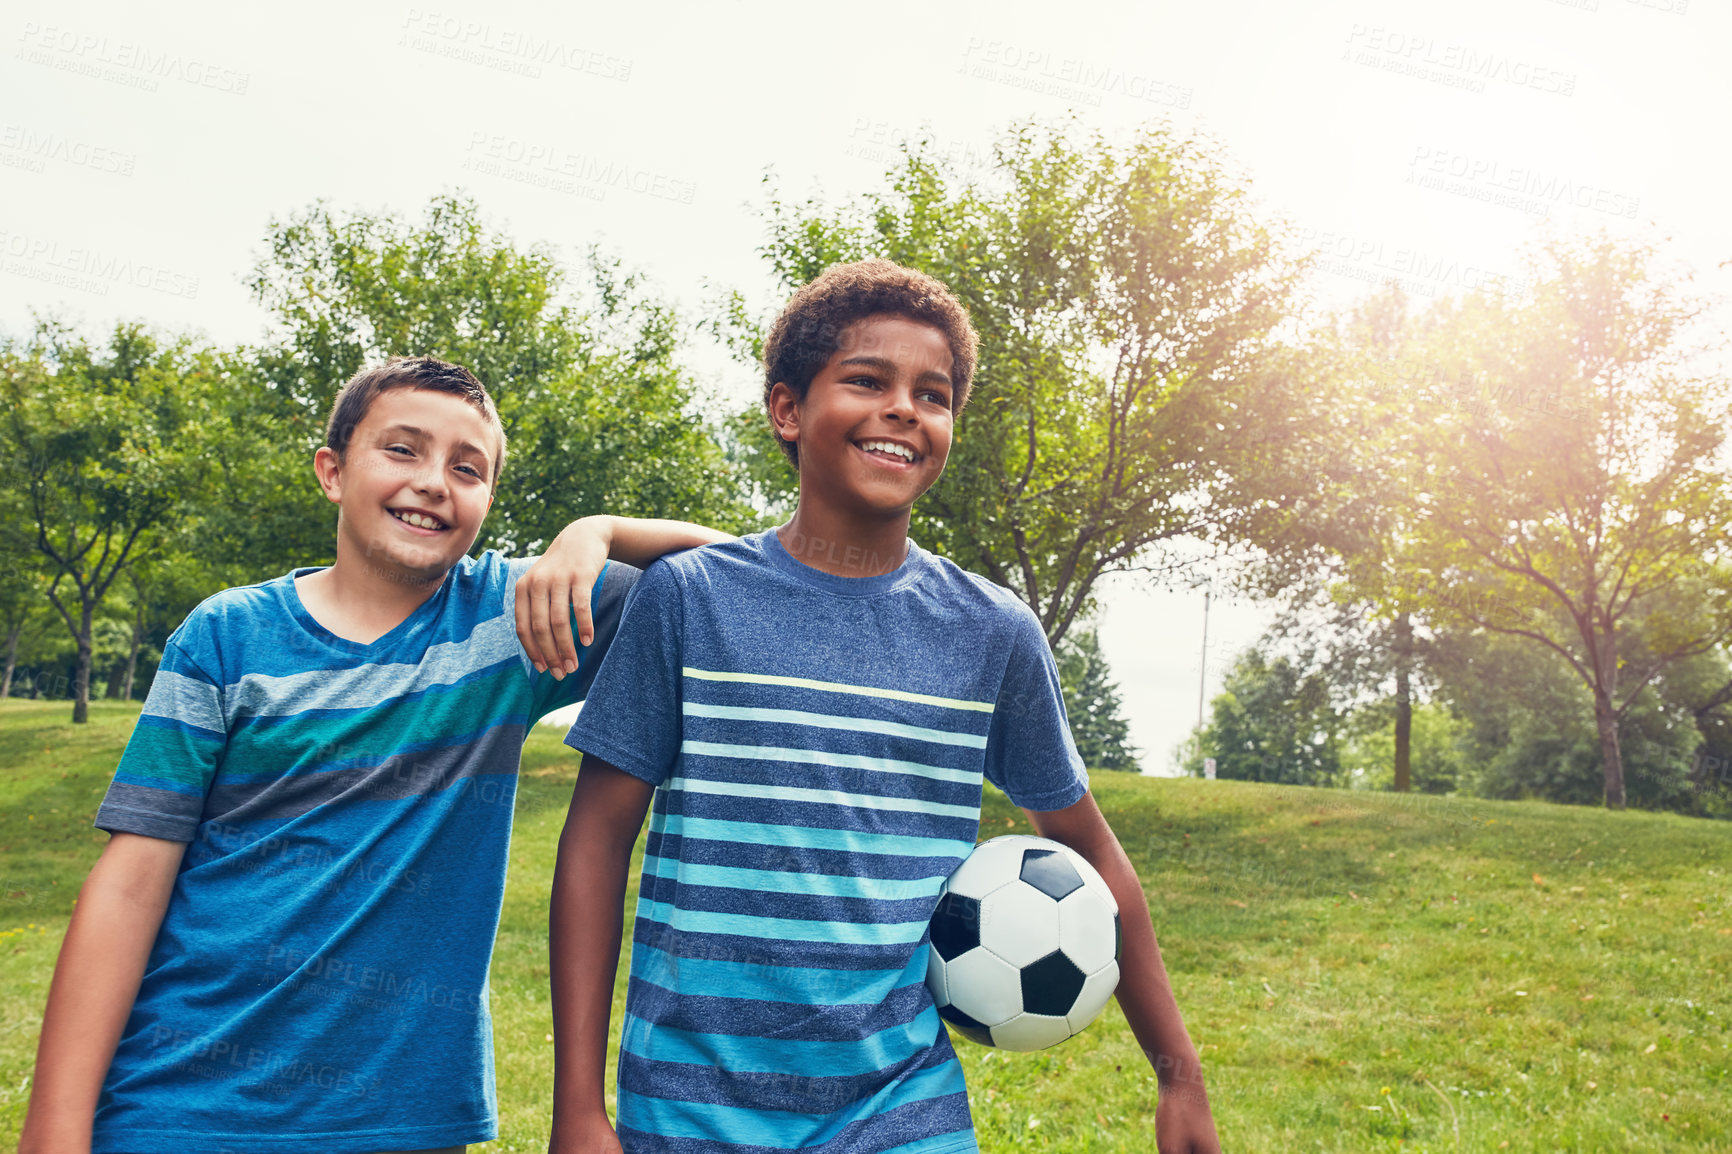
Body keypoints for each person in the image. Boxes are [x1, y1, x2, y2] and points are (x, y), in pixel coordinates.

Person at [549, 261, 1220, 1153]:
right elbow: (595, 842)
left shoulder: (993, 633)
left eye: (932, 394)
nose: (904, 407)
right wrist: (577, 1109)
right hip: (686, 1107)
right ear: (787, 409)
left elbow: (1091, 852)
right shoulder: (690, 601)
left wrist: (1178, 1074)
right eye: (868, 380)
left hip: (899, 1110)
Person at [18, 355, 732, 1154]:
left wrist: (594, 532)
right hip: (178, 1107)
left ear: (488, 500)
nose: (433, 481)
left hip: (404, 1120)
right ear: (331, 470)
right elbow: (130, 887)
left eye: (468, 468)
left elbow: (733, 575)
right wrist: (55, 1127)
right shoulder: (225, 636)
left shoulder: (512, 622)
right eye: (402, 450)